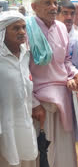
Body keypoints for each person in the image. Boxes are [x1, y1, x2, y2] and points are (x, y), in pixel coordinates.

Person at [27, 0, 78, 167]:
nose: (54, 7)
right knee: (44, 153)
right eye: (48, 3)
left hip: (63, 98)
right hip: (40, 106)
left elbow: (66, 61)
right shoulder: (26, 30)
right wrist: (33, 103)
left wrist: (76, 74)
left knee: (64, 153)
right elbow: (23, 71)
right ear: (34, 7)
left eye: (55, 3)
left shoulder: (61, 28)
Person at [0, 11, 38, 167]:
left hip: (24, 121)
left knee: (26, 157)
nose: (22, 32)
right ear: (3, 32)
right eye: (16, 28)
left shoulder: (25, 54)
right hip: (3, 127)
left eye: (23, 27)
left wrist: (35, 105)